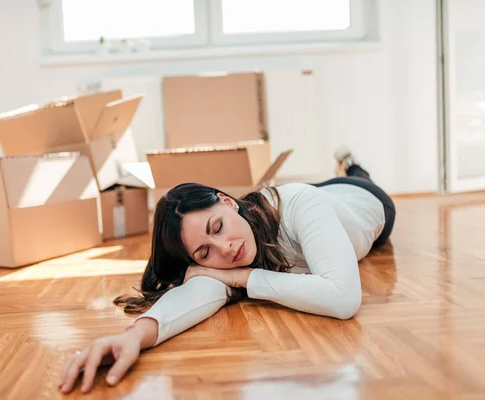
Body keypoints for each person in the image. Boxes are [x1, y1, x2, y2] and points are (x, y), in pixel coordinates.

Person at [58, 148, 396, 394]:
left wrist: (239, 278)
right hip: (318, 201)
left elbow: (343, 298)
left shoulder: (299, 204)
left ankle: (352, 165)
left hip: (364, 201)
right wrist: (132, 336)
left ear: (227, 201)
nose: (226, 249)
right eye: (205, 251)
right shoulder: (221, 259)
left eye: (218, 226)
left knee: (357, 178)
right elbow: (197, 292)